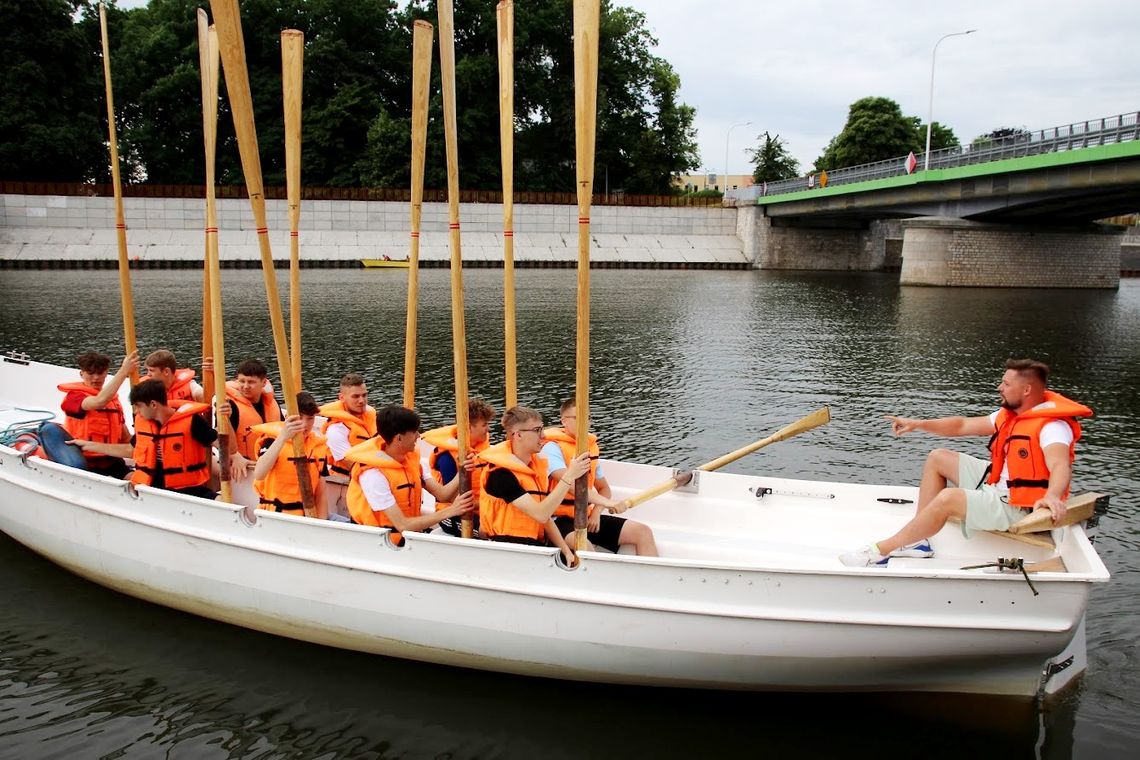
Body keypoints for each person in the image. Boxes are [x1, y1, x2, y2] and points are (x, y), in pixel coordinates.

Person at [840, 358, 1093, 567]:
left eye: (1006, 383)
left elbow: (1060, 465)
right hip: (998, 485)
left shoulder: (1053, 427)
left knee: (948, 498)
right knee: (938, 457)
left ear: (1026, 390)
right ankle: (917, 542)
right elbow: (962, 425)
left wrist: (1053, 497)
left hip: (1018, 505)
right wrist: (918, 424)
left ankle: (881, 550)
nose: (999, 388)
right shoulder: (1013, 415)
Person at [343, 404, 474, 544]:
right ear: (398, 438)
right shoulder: (373, 475)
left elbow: (442, 495)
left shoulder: (412, 460)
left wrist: (462, 470)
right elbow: (403, 525)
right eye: (414, 432)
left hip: (410, 537)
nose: (418, 436)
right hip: (383, 543)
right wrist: (450, 511)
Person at [542, 400, 658, 556]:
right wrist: (609, 503)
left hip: (585, 515)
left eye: (587, 418)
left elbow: (604, 488)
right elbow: (571, 486)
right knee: (586, 548)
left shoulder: (589, 448)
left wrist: (596, 513)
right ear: (563, 421)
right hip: (557, 520)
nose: (585, 423)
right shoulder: (552, 448)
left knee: (642, 532)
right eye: (578, 418)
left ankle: (651, 578)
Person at [478, 406, 590, 566]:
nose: (543, 435)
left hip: (531, 544)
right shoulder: (500, 475)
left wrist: (565, 550)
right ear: (518, 435)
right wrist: (569, 475)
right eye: (537, 430)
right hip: (507, 548)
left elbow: (546, 519)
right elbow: (541, 514)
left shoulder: (533, 468)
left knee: (580, 558)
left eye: (542, 429)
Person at [71, 379, 218, 500]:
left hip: (186, 490)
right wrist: (87, 445)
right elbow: (131, 450)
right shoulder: (146, 424)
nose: (136, 412)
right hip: (150, 490)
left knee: (219, 501)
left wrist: (226, 424)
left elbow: (224, 446)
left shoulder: (192, 422)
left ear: (153, 404)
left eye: (138, 406)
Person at [422, 398, 495, 537]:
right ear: (468, 427)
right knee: (491, 530)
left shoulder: (484, 449)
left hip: (483, 507)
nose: (488, 429)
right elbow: (451, 499)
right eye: (484, 424)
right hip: (453, 514)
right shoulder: (447, 457)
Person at [59, 350, 137, 479]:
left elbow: (125, 437)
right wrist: (124, 371)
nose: (96, 377)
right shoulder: (74, 397)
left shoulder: (113, 401)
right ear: (81, 374)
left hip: (112, 460)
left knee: (142, 481)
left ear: (106, 373)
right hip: (86, 462)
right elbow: (98, 401)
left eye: (100, 373)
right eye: (90, 373)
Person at [251, 392, 329, 519]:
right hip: (275, 514)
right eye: (300, 417)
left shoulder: (317, 447)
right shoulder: (271, 440)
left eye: (310, 419)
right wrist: (283, 437)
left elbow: (321, 494)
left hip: (306, 515)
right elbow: (259, 474)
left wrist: (321, 524)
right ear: (288, 418)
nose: (304, 424)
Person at [319, 373, 377, 519]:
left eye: (364, 395)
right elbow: (353, 465)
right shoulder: (336, 430)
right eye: (356, 397)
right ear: (342, 398)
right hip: (345, 481)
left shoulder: (369, 413)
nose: (362, 401)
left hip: (373, 468)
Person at [223, 359, 282, 482]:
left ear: (263, 382)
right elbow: (221, 437)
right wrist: (235, 456)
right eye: (242, 381)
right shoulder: (231, 406)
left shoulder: (272, 404)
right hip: (246, 467)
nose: (245, 386)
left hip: (272, 463)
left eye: (251, 382)